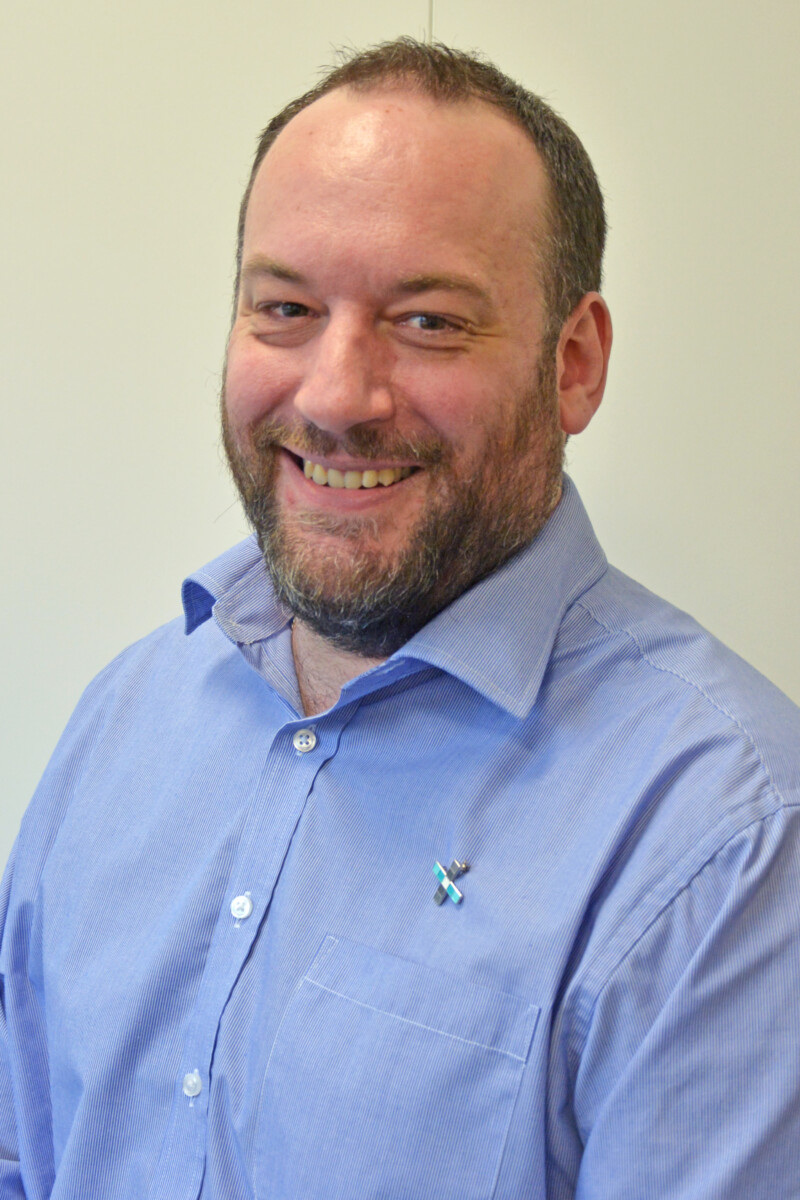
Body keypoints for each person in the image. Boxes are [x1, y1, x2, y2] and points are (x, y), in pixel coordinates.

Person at [2, 36, 799, 1200]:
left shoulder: (723, 835)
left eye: (426, 321)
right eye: (285, 307)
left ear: (573, 364)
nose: (333, 396)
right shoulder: (128, 718)